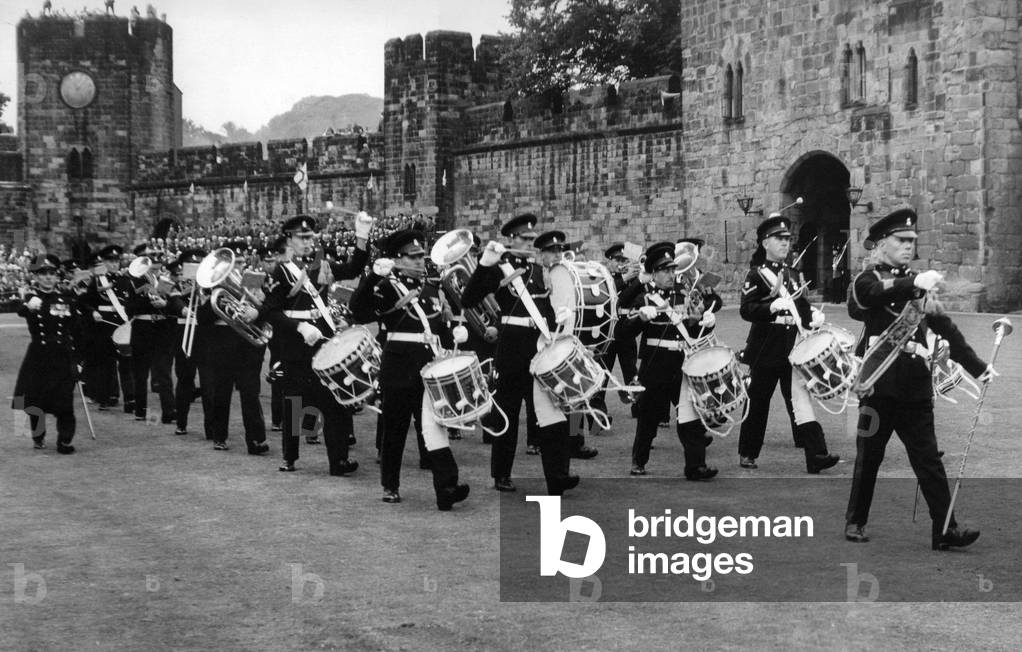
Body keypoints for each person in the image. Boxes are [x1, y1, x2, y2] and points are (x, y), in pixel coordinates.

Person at [844, 208, 994, 550]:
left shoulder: (918, 284)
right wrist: (912, 282)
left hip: (914, 386)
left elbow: (946, 328)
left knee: (929, 460)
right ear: (883, 244)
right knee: (869, 457)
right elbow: (863, 299)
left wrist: (978, 366)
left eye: (913, 240)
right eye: (901, 240)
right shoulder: (869, 278)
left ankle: (945, 530)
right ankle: (855, 520)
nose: (909, 246)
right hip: (878, 386)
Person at [350, 229, 470, 509]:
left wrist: (456, 331)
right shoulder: (385, 286)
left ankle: (446, 488)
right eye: (413, 257)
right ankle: (390, 485)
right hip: (399, 367)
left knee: (434, 427)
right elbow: (358, 309)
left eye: (420, 256)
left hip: (429, 366)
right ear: (398, 258)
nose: (419, 261)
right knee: (395, 430)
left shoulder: (431, 286)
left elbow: (441, 322)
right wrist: (373, 277)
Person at [462, 215, 578, 496]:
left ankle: (557, 476)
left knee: (551, 414)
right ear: (512, 240)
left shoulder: (539, 271)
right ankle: (501, 473)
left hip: (538, 351)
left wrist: (557, 322)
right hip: (511, 351)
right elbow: (468, 298)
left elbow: (545, 310)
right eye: (524, 239)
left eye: (531, 240)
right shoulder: (499, 267)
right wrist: (484, 264)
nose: (528, 243)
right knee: (508, 415)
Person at [256, 213, 371, 474]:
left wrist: (362, 236)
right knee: (295, 401)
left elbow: (353, 269)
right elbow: (269, 312)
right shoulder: (280, 271)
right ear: (289, 239)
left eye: (311, 237)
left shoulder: (321, 266)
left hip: (323, 342)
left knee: (335, 400)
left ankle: (338, 460)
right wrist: (299, 326)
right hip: (296, 346)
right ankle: (290, 457)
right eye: (302, 238)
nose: (309, 242)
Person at [737, 214, 840, 474]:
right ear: (765, 243)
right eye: (779, 239)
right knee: (758, 402)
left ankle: (816, 454)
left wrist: (813, 316)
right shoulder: (756, 275)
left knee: (800, 400)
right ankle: (748, 452)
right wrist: (770, 306)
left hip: (793, 346)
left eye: (787, 239)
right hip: (766, 348)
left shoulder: (792, 274)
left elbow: (801, 307)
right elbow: (747, 310)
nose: (785, 243)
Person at [615, 242, 719, 479]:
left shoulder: (683, 294)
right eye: (665, 270)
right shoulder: (645, 298)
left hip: (682, 364)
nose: (672, 274)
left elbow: (691, 328)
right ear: (653, 272)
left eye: (673, 269)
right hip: (656, 365)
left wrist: (703, 321)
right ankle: (638, 462)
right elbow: (622, 333)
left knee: (691, 416)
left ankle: (696, 466)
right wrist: (640, 318)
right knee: (648, 418)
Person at [13, 255, 83, 454]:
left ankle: (65, 440)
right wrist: (28, 305)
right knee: (34, 400)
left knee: (65, 401)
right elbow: (21, 311)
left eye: (52, 274)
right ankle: (38, 436)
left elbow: (77, 332)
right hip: (38, 357)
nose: (48, 278)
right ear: (36, 277)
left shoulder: (66, 300)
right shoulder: (31, 298)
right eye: (43, 274)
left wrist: (79, 360)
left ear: (57, 277)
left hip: (62, 356)